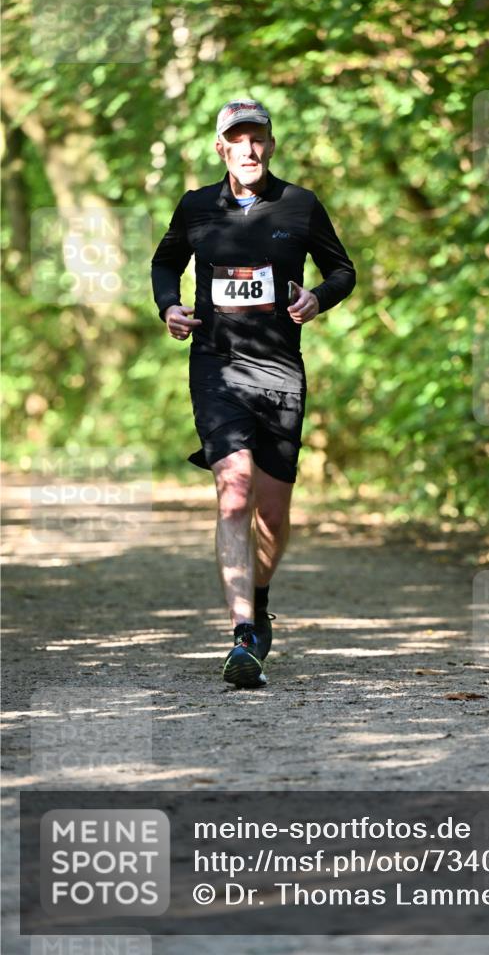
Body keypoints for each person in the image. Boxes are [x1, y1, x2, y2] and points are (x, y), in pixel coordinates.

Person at [151, 98, 355, 689]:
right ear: (220, 147)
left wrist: (319, 297)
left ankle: (259, 600)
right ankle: (244, 634)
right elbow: (165, 264)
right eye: (236, 139)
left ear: (270, 144)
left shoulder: (300, 204)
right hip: (216, 365)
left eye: (257, 138)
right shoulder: (195, 207)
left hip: (280, 370)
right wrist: (170, 305)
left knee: (272, 508)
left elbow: (342, 270)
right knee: (234, 494)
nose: (247, 149)